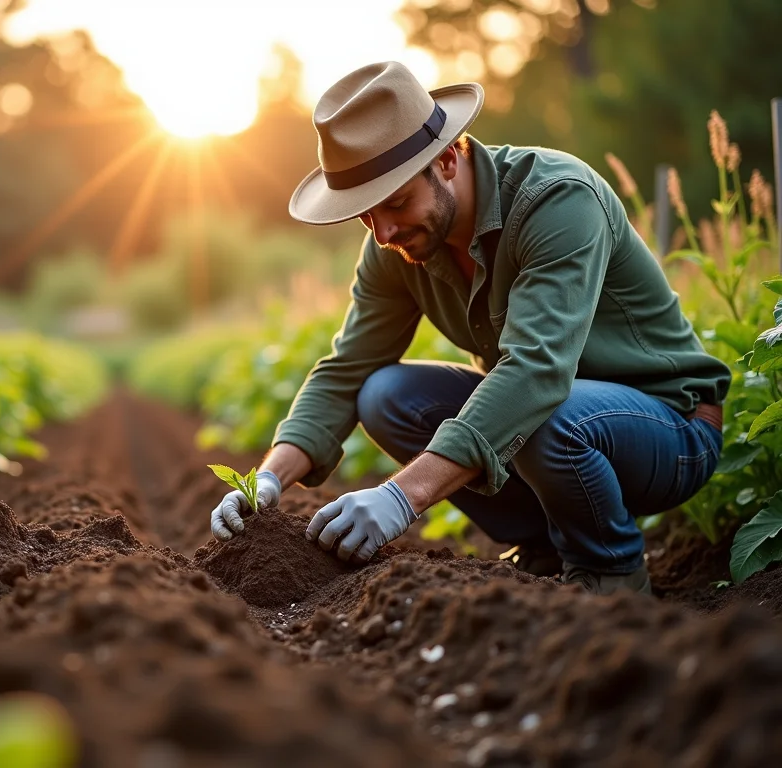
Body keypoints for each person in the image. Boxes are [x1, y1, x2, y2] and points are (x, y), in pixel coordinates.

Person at [208, 61, 730, 596]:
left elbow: (535, 373)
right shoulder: (398, 244)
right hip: (553, 425)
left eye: (395, 202)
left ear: (450, 158)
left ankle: (612, 576)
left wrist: (400, 497)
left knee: (542, 412)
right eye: (364, 215)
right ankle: (544, 549)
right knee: (387, 394)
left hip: (668, 428)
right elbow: (348, 369)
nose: (383, 231)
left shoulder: (557, 200)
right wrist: (267, 479)